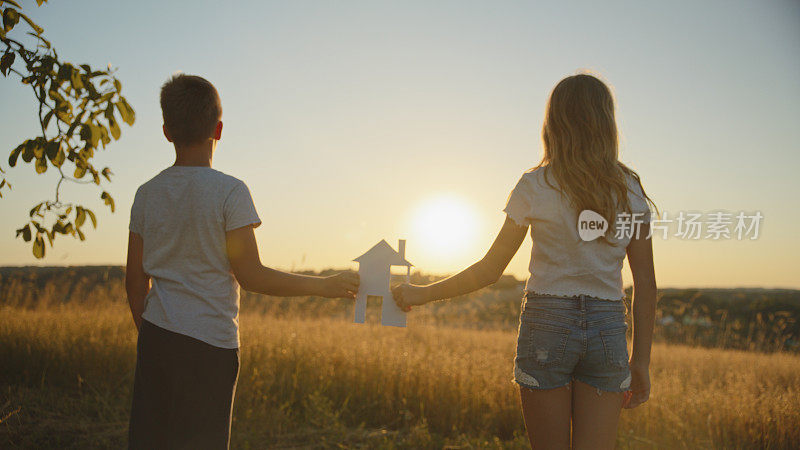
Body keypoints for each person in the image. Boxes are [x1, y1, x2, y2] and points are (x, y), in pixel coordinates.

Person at [393, 73, 657, 449]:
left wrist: (420, 294)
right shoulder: (629, 189)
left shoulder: (535, 186)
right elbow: (645, 285)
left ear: (554, 123)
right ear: (606, 122)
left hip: (546, 325)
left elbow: (490, 270)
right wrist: (641, 361)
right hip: (607, 329)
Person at [125, 73, 359, 449]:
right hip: (210, 348)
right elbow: (251, 276)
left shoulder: (146, 194)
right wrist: (325, 285)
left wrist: (153, 334)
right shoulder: (230, 192)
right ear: (218, 129)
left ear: (166, 131)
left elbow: (135, 282)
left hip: (156, 339)